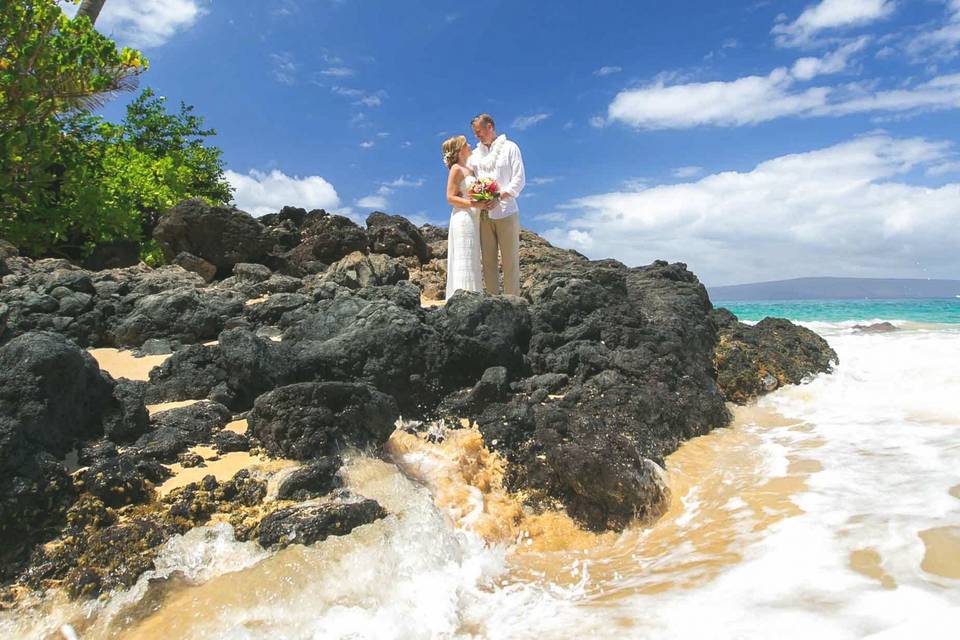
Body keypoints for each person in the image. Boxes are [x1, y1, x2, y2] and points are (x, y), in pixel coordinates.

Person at [468, 113, 526, 296]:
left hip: (507, 212)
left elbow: (519, 179)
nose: (477, 136)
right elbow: (469, 179)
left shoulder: (510, 148)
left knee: (510, 260)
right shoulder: (475, 155)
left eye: (479, 132)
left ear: (490, 126)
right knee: (488, 261)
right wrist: (480, 197)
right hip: (484, 215)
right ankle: (493, 302)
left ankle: (513, 301)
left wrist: (499, 195)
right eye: (475, 133)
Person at [440, 135, 496, 300]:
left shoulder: (470, 170)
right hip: (463, 218)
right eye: (466, 144)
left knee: (472, 258)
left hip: (474, 218)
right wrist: (475, 204)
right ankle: (462, 298)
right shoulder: (456, 169)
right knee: (464, 257)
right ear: (459, 150)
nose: (470, 145)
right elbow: (450, 197)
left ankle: (473, 296)